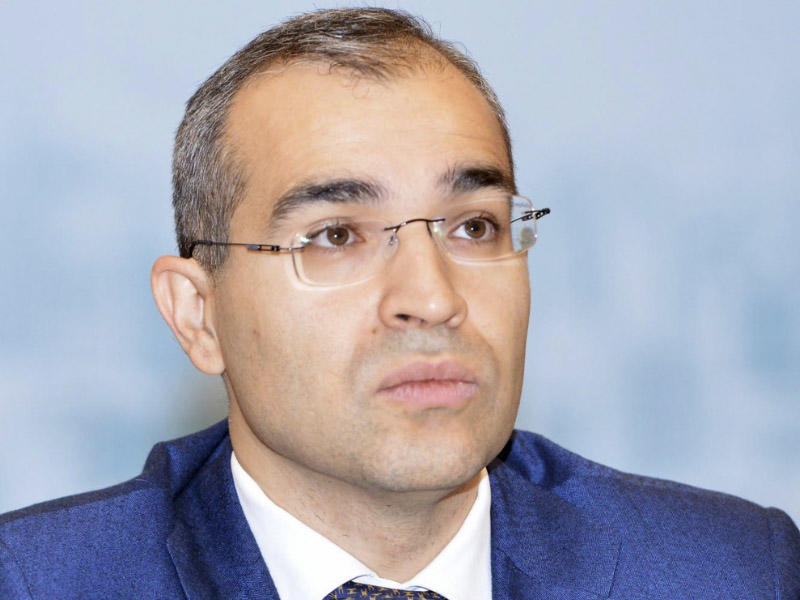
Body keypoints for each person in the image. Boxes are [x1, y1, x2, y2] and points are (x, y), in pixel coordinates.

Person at [1, 7, 798, 599]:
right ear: (197, 315)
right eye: (335, 236)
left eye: (474, 226)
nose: (432, 298)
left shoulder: (732, 572)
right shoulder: (38, 582)